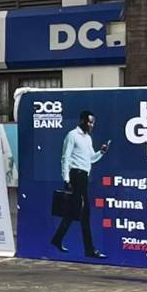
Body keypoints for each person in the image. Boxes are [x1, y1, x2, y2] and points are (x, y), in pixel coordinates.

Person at [51, 109, 109, 258]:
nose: (91, 125)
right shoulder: (72, 135)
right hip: (75, 175)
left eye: (93, 123)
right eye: (89, 122)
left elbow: (91, 159)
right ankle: (89, 249)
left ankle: (57, 239)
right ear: (82, 121)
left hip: (83, 176)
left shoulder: (88, 138)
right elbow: (65, 158)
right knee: (85, 212)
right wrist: (66, 179)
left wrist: (101, 152)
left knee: (74, 212)